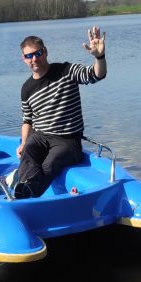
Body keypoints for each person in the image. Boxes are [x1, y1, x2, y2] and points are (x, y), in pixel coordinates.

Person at [14, 26, 107, 199]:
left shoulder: (66, 71)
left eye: (38, 53)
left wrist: (99, 56)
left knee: (51, 163)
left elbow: (96, 74)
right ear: (24, 59)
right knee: (29, 151)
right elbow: (27, 119)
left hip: (67, 140)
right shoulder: (26, 88)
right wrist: (24, 143)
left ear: (45, 52)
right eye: (29, 56)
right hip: (41, 136)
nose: (34, 59)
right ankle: (22, 189)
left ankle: (26, 197)